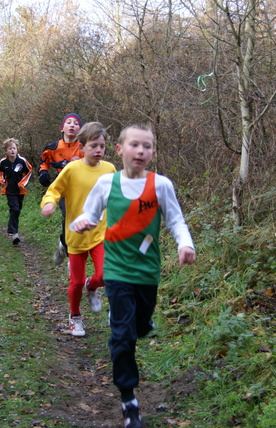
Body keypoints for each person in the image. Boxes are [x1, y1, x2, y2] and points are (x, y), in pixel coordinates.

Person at [71, 124, 196, 428]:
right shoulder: (106, 184)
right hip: (116, 270)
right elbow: (89, 213)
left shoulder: (161, 185)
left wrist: (185, 243)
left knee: (140, 326)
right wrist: (83, 222)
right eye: (135, 145)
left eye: (147, 146)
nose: (141, 151)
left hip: (147, 271)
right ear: (120, 149)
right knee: (122, 336)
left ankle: (142, 321)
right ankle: (129, 398)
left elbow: (176, 220)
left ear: (152, 152)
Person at [40, 122, 116, 337]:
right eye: (93, 146)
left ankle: (91, 286)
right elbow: (54, 190)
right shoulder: (72, 169)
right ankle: (75, 316)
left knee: (106, 274)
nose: (99, 150)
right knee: (75, 282)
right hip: (76, 235)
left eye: (102, 146)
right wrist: (49, 204)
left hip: (101, 232)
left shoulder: (109, 169)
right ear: (81, 147)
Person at [37, 113, 84, 265]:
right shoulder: (53, 147)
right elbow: (44, 162)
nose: (72, 125)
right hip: (63, 188)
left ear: (80, 129)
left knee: (79, 221)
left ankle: (63, 244)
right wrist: (43, 173)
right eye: (68, 122)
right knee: (69, 217)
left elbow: (95, 163)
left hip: (81, 188)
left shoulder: (84, 147)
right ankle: (71, 256)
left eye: (76, 123)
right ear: (62, 128)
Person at [0, 138, 33, 245]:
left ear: (17, 150)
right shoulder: (3, 162)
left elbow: (29, 171)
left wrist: (22, 183)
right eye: (10, 149)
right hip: (9, 190)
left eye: (14, 148)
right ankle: (14, 233)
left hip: (20, 191)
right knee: (14, 208)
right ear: (5, 151)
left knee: (17, 210)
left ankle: (14, 232)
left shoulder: (22, 161)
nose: (12, 150)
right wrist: (1, 181)